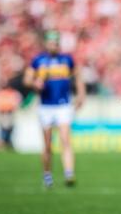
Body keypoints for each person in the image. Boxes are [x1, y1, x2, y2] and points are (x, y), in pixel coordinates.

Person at [23, 30, 86, 187]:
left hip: (63, 105)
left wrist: (81, 95)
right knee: (47, 143)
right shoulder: (38, 60)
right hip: (45, 106)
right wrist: (34, 83)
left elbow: (78, 77)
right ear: (46, 43)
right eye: (51, 42)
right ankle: (47, 174)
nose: (54, 45)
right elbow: (27, 80)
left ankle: (69, 173)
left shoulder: (67, 59)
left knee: (65, 139)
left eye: (56, 42)